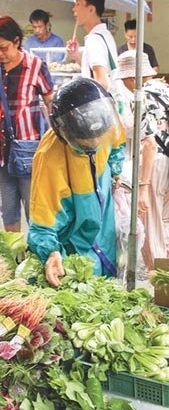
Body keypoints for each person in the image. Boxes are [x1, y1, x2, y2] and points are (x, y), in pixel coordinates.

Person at [28, 78, 125, 287]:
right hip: (74, 240)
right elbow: (42, 221)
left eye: (99, 139)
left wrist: (116, 171)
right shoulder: (49, 159)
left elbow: (118, 145)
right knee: (84, 281)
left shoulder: (105, 120)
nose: (96, 144)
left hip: (104, 221)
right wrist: (51, 252)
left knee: (109, 276)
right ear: (67, 134)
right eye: (85, 145)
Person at [116, 50, 169, 269]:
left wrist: (143, 186)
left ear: (130, 77)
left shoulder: (140, 97)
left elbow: (149, 144)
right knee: (163, 221)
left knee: (151, 228)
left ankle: (160, 279)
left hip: (156, 164)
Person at [0, 16, 53, 232]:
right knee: (8, 210)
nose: (0, 54)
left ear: (16, 41)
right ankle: (14, 251)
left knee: (35, 210)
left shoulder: (35, 65)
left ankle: (37, 250)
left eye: (4, 48)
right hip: (2, 152)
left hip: (29, 150)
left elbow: (51, 103)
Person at [66, 0, 118, 93]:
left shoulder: (94, 39)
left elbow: (102, 83)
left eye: (78, 4)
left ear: (91, 10)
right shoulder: (105, 34)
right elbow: (93, 72)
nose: (73, 9)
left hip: (101, 101)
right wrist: (76, 56)